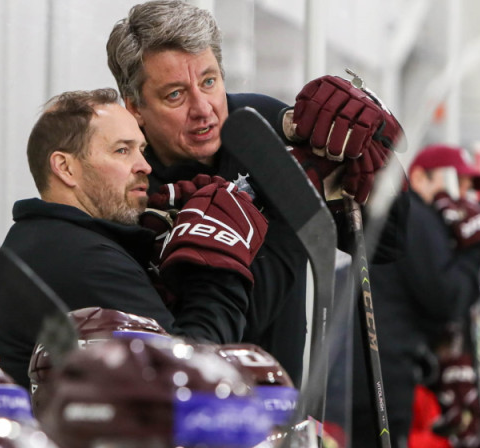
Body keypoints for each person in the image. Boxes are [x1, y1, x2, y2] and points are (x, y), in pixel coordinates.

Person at [106, 0, 407, 387]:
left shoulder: (264, 128)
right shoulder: (125, 181)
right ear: (136, 108)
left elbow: (389, 242)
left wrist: (372, 156)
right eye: (175, 95)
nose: (204, 109)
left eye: (209, 81)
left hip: (283, 401)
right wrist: (281, 210)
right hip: (182, 402)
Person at [0, 88, 269, 387]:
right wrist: (217, 262)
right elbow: (189, 381)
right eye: (122, 150)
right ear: (65, 167)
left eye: (141, 149)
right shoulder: (83, 259)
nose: (145, 165)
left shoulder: (31, 242)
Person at [347, 143, 480, 447]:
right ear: (419, 179)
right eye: (457, 182)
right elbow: (447, 298)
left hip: (366, 374)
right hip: (381, 381)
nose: (464, 197)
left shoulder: (403, 218)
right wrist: (474, 252)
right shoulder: (417, 216)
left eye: (470, 188)